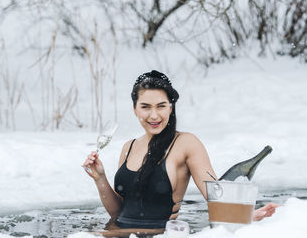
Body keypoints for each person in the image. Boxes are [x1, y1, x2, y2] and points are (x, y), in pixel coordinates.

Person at [83, 70, 278, 229]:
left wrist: (250, 215)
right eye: (145, 107)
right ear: (135, 109)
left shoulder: (185, 143)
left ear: (171, 108)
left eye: (161, 106)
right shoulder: (129, 147)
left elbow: (217, 196)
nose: (153, 115)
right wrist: (100, 179)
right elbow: (119, 212)